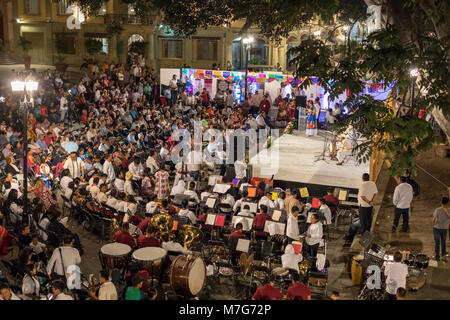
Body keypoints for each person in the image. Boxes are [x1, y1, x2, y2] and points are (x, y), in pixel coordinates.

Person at [432, 197, 450, 261]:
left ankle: (437, 257)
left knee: (437, 242)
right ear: (447, 203)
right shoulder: (449, 210)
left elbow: (434, 219)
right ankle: (443, 253)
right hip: (444, 228)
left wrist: (433, 223)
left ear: (441, 202)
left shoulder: (437, 209)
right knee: (443, 241)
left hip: (437, 228)